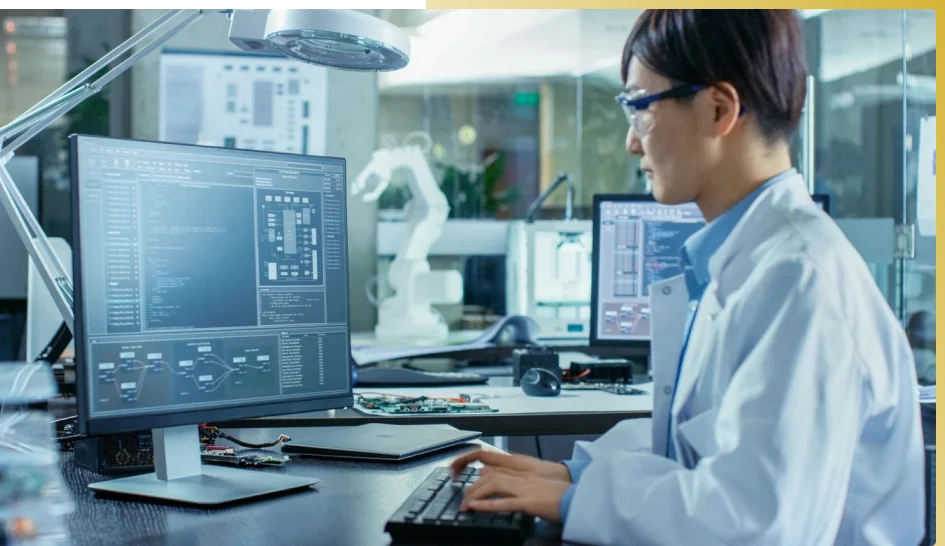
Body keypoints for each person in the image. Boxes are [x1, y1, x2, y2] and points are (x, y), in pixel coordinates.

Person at [451, 9, 926, 545]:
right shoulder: (752, 261)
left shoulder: (800, 280)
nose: (633, 143)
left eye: (640, 108)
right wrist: (572, 476)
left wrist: (574, 498)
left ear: (718, 109)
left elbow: (756, 524)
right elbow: (700, 447)